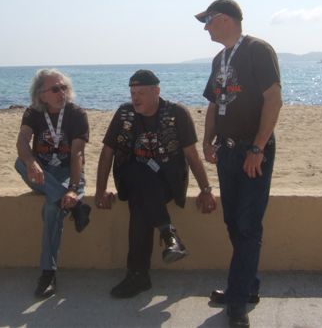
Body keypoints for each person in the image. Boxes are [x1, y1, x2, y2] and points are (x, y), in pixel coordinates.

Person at [196, 0, 282, 327]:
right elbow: (214, 104)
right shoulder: (219, 59)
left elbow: (273, 99)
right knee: (233, 222)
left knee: (248, 225)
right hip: (228, 152)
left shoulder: (258, 50)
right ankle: (247, 287)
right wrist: (207, 141)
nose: (205, 27)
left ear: (226, 19)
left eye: (208, 20)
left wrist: (257, 148)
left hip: (252, 151)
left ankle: (237, 301)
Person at [95, 69, 217, 299]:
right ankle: (169, 235)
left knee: (140, 203)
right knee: (139, 173)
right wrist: (100, 191)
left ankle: (138, 274)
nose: (135, 98)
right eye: (132, 93)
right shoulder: (124, 113)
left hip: (167, 182)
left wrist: (206, 190)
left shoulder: (177, 113)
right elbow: (107, 152)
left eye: (141, 93)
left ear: (156, 91)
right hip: (131, 178)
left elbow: (191, 154)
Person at [15, 68, 91, 299]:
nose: (62, 93)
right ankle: (77, 207)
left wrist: (73, 189)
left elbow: (77, 154)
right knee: (20, 163)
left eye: (64, 87)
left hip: (69, 173)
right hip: (42, 174)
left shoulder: (76, 114)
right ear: (42, 95)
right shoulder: (33, 113)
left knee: (52, 207)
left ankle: (48, 273)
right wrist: (31, 162)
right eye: (55, 89)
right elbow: (22, 141)